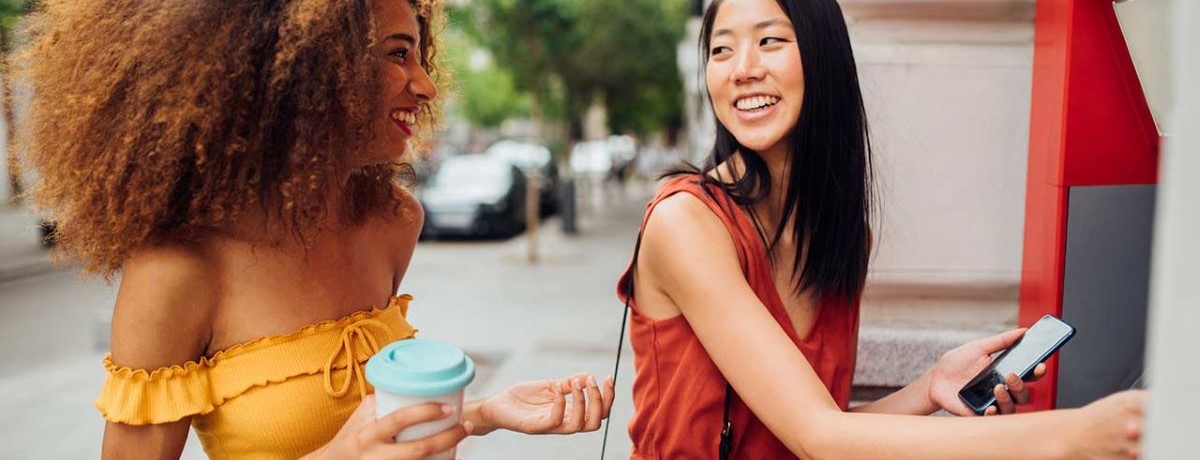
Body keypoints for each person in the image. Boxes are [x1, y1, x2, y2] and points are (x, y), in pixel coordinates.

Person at [19, 1, 613, 459]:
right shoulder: (178, 271)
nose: (426, 85)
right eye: (398, 53)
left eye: (420, 56)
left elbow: (373, 419)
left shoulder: (393, 222)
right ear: (308, 68)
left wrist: (486, 412)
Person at [616, 0, 1145, 458]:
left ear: (823, 58)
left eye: (770, 40)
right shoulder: (685, 222)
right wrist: (1072, 438)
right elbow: (818, 437)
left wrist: (929, 386)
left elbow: (815, 426)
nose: (742, 69)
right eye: (722, 50)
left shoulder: (840, 236)